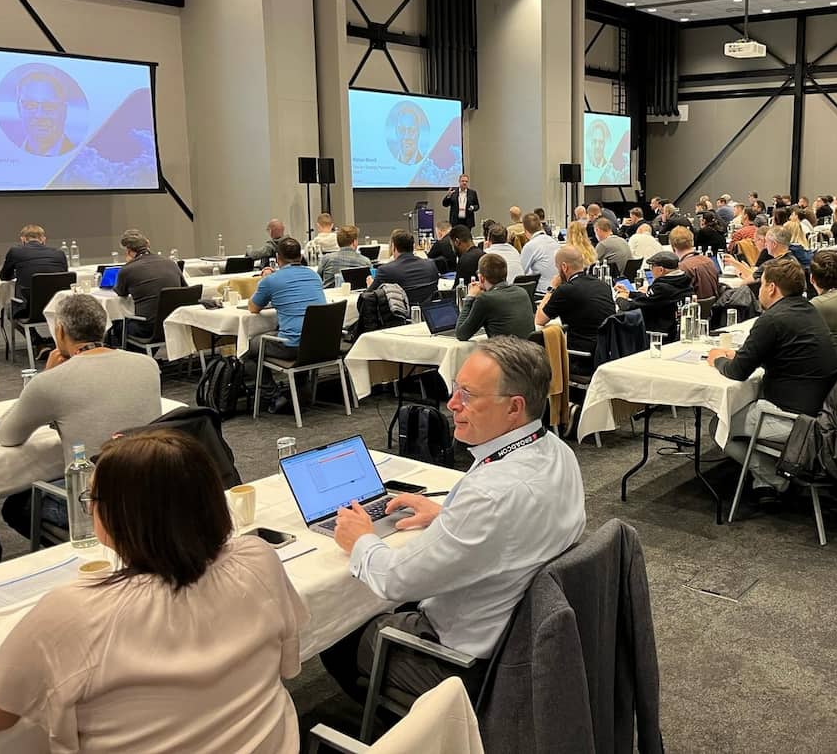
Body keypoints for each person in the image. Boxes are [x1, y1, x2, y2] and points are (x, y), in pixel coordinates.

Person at [0, 429, 309, 751]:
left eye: (92, 498)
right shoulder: (258, 558)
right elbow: (287, 665)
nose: (89, 507)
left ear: (118, 515)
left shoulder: (74, 614)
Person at [320, 337, 584, 704]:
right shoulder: (557, 452)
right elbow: (515, 523)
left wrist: (360, 538)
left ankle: (427, 727)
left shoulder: (490, 495)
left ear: (514, 407)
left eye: (468, 395)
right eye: (456, 388)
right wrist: (446, 516)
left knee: (336, 634)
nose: (452, 403)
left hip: (464, 663)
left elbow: (395, 580)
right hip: (517, 635)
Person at [0, 293, 162, 536]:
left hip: (98, 502)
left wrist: (44, 376)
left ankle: (86, 541)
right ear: (104, 327)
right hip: (151, 491)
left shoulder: (51, 381)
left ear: (60, 331)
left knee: (17, 505)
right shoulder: (147, 364)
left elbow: (6, 435)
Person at [708, 259, 837, 494]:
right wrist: (741, 355)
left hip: (794, 421)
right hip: (823, 413)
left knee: (719, 425)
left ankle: (774, 479)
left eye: (761, 284)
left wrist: (717, 359)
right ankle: (764, 481)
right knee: (750, 400)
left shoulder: (771, 319)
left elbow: (737, 372)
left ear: (771, 287)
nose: (759, 289)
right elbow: (785, 352)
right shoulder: (809, 310)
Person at [247, 236, 327, 364]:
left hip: (292, 346)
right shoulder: (315, 276)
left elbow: (253, 308)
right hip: (321, 343)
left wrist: (263, 280)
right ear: (301, 257)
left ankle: (264, 379)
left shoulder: (271, 280)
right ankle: (301, 377)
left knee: (249, 345)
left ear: (277, 258)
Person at [536, 245, 616, 359]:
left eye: (557, 268)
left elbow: (539, 320)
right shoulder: (603, 285)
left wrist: (552, 288)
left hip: (581, 355)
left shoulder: (565, 290)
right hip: (607, 351)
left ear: (564, 267)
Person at [113, 228, 186, 343]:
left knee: (116, 325)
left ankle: (133, 354)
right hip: (175, 324)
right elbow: (185, 289)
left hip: (146, 329)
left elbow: (121, 292)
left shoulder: (127, 269)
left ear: (128, 251)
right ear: (147, 245)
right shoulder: (171, 263)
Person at [455, 253, 537, 341]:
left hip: (505, 349)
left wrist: (470, 297)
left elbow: (461, 334)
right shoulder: (522, 292)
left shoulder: (485, 299)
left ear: (481, 278)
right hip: (529, 348)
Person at [614, 250, 692, 340]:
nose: (651, 270)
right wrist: (629, 293)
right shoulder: (684, 282)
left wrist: (620, 298)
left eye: (652, 267)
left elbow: (629, 307)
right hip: (675, 331)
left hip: (657, 335)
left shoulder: (661, 288)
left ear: (661, 270)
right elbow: (652, 299)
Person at [0, 223, 68, 319]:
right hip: (57, 307)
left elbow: (4, 276)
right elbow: (64, 276)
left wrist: (17, 274)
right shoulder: (60, 253)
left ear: (23, 239)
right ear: (43, 239)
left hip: (26, 310)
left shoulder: (15, 251)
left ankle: (26, 329)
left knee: (10, 309)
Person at [373, 229, 440, 305]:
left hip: (402, 311)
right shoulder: (430, 264)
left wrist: (371, 286)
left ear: (393, 246)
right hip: (429, 310)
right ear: (413, 246)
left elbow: (367, 298)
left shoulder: (385, 270)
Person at [669, 226, 720, 300]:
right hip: (715, 305)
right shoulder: (709, 261)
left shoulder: (681, 269)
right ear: (692, 242)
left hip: (693, 306)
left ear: (673, 247)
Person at [518, 213, 560, 289]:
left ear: (525, 230)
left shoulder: (530, 246)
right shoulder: (554, 241)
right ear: (540, 226)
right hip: (558, 287)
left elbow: (521, 271)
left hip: (543, 290)